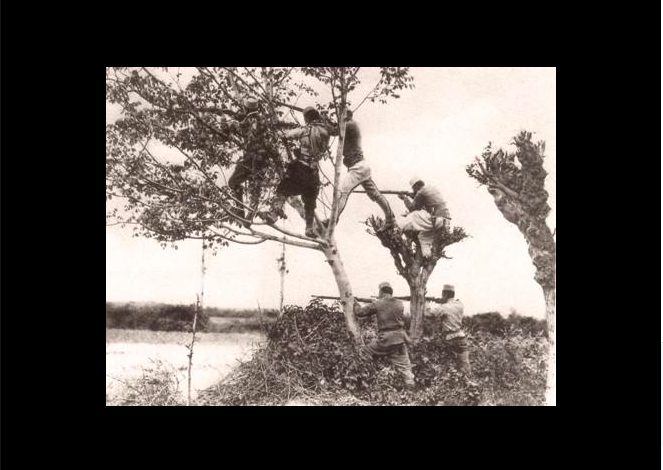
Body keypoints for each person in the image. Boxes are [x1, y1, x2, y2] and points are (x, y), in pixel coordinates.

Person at [260, 106, 330, 238]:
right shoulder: (326, 132)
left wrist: (277, 130)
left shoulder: (305, 130)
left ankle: (273, 214)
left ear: (307, 118)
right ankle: (309, 228)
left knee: (283, 189)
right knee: (310, 202)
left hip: (302, 169)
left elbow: (284, 135)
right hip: (314, 173)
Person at [321, 110, 395, 230]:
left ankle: (333, 220)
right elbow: (336, 127)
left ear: (345, 116)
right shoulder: (351, 125)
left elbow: (333, 131)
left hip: (357, 168)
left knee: (342, 193)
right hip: (361, 166)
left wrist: (324, 119)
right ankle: (390, 219)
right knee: (375, 194)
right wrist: (328, 121)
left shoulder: (349, 124)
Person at [226, 97, 280, 226]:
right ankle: (248, 217)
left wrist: (225, 123)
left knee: (233, 182)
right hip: (263, 159)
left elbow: (234, 129)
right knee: (256, 188)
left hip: (251, 158)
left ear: (246, 109)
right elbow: (270, 141)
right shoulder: (264, 121)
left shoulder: (248, 121)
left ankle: (240, 212)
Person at [354, 282, 415, 390]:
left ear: (381, 292)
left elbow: (359, 312)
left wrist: (355, 302)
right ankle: (410, 387)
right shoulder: (400, 303)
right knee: (405, 367)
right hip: (400, 339)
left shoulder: (378, 303)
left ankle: (364, 379)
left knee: (364, 352)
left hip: (386, 339)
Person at [397, 177, 451, 258]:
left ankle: (398, 229)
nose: (413, 190)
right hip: (444, 220)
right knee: (423, 238)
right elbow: (426, 200)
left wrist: (405, 198)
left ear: (416, 186)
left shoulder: (421, 192)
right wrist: (413, 196)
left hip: (437, 219)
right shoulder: (431, 188)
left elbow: (413, 208)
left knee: (414, 214)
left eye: (413, 188)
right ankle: (427, 256)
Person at [425, 284, 471, 374]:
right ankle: (467, 380)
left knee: (448, 365)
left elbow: (428, 314)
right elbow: (450, 305)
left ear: (444, 294)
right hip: (461, 337)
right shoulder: (459, 304)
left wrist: (426, 302)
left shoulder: (444, 307)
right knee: (464, 365)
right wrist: (440, 301)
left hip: (450, 338)